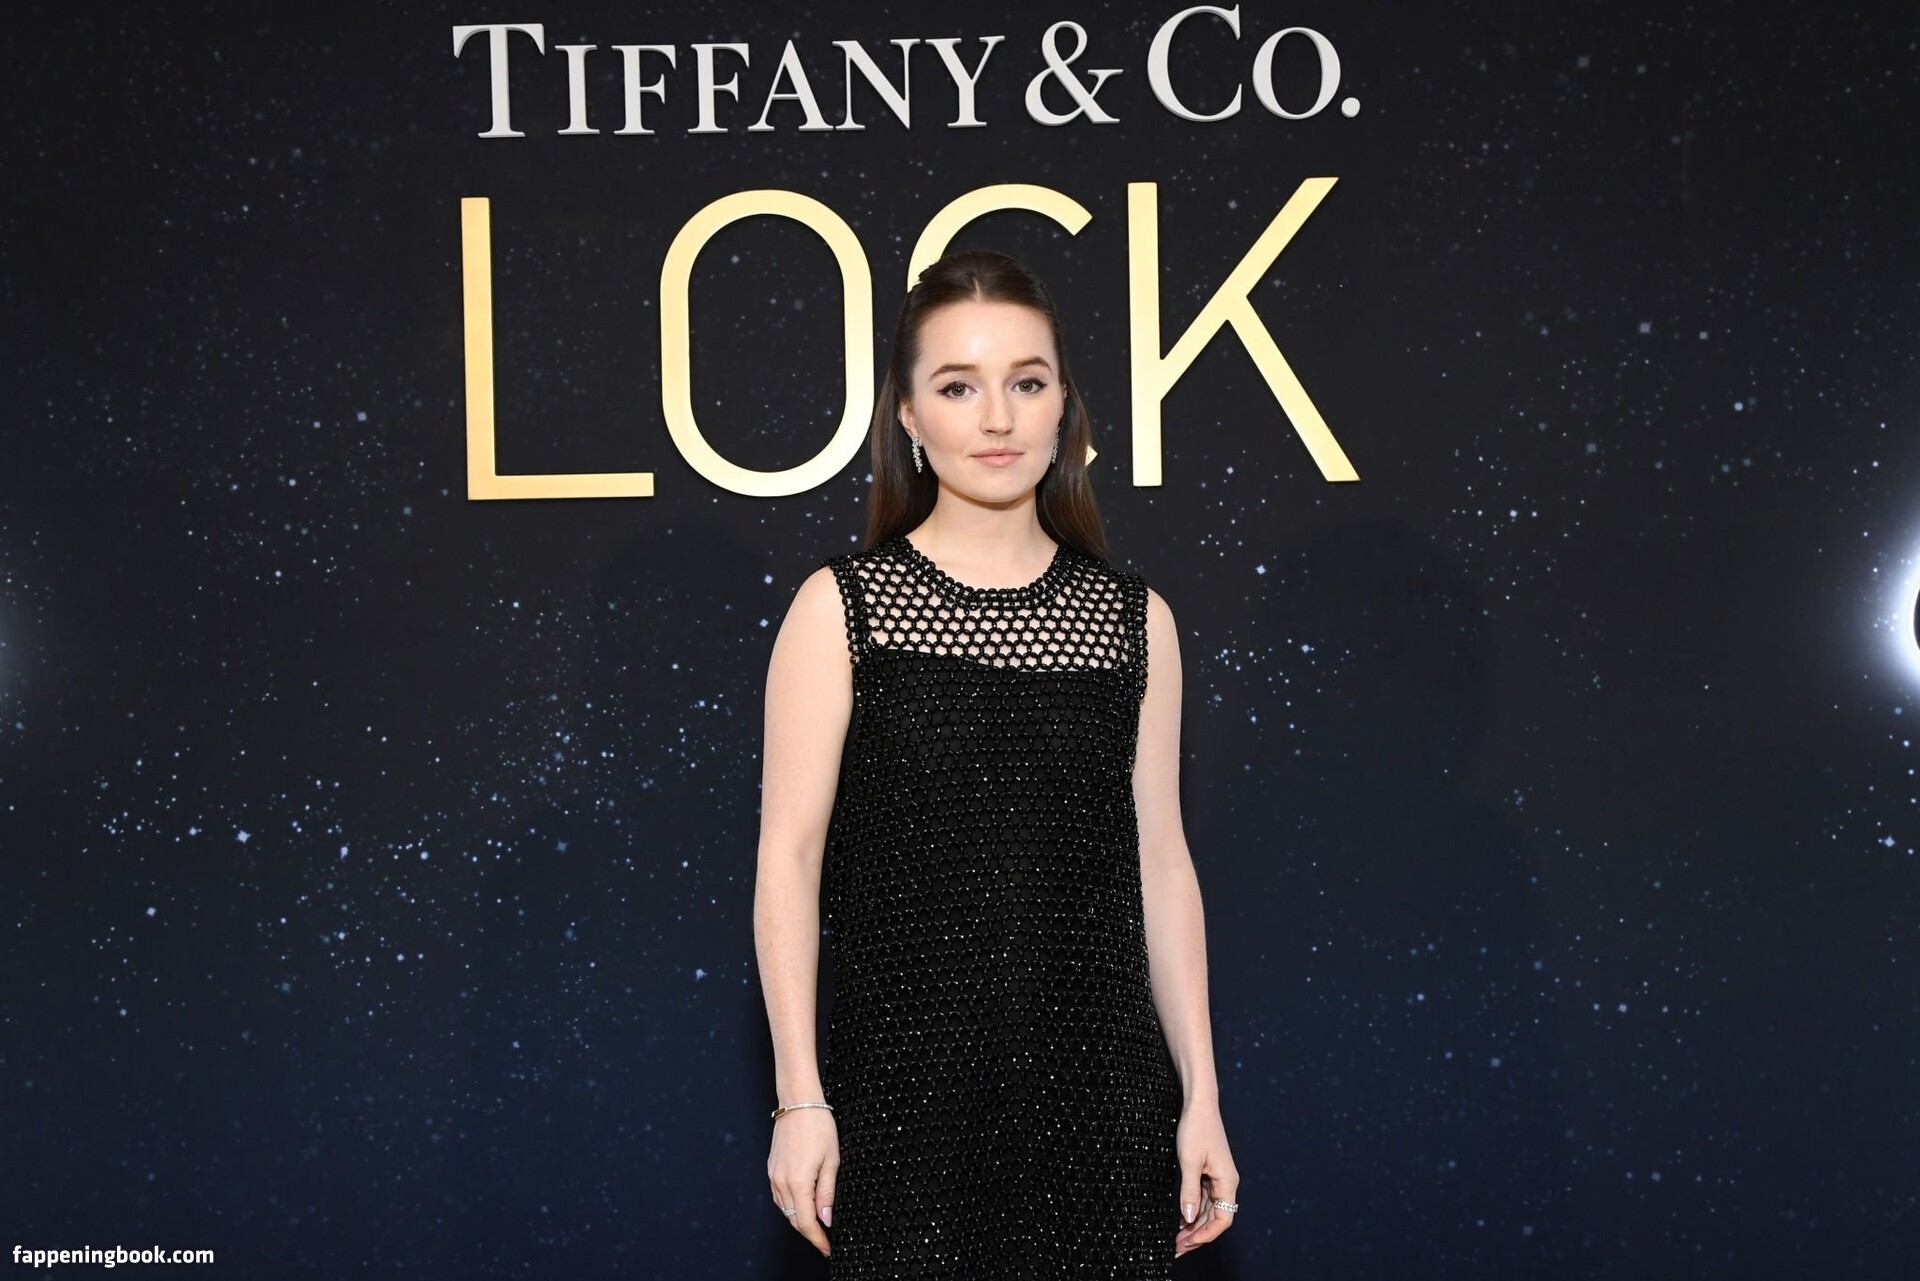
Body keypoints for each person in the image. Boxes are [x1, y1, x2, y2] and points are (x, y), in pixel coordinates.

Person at [753, 248, 1238, 1277]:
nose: (998, 418)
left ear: (1065, 406)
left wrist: (1201, 1094)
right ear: (909, 416)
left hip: (1105, 1116)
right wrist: (800, 1098)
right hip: (906, 1110)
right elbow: (787, 860)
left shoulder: (1135, 622)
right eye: (958, 387)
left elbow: (1162, 864)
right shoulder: (840, 612)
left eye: (1027, 382)